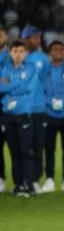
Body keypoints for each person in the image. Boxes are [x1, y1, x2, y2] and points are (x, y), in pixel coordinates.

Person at [0, 41, 38, 197]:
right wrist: (17, 87)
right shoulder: (4, 69)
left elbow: (29, 89)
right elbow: (1, 89)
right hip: (8, 114)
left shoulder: (31, 68)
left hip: (23, 113)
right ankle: (18, 185)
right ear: (10, 53)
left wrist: (11, 85)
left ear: (26, 53)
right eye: (15, 51)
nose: (18, 54)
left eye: (21, 51)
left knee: (26, 151)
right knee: (14, 152)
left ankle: (29, 184)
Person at [41, 41, 64, 193]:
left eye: (61, 49)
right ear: (49, 52)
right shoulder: (43, 70)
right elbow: (41, 92)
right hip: (49, 113)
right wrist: (46, 105)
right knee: (49, 149)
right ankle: (49, 179)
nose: (58, 52)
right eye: (55, 49)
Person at [22, 26, 50, 194]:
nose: (37, 40)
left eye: (38, 37)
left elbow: (48, 82)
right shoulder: (17, 56)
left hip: (39, 108)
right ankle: (24, 179)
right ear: (25, 39)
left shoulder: (42, 58)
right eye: (33, 37)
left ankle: (35, 179)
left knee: (38, 146)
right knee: (24, 147)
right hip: (22, 109)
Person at [0, 27, 10, 193]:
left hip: (8, 107)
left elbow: (10, 82)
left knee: (16, 147)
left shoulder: (12, 54)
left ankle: (23, 180)